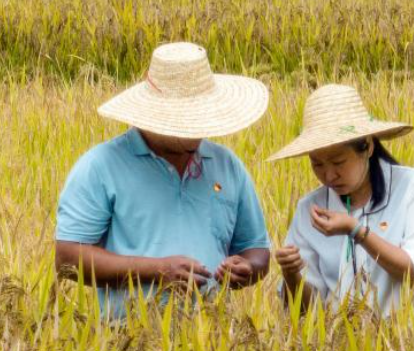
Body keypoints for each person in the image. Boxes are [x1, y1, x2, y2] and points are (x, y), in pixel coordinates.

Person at [55, 42, 270, 320]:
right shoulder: (101, 167)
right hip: (129, 345)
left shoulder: (227, 166)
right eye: (184, 120)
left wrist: (248, 268)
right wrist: (157, 271)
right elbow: (67, 258)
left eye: (200, 117)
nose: (196, 130)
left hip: (215, 343)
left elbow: (257, 250)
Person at [268, 84, 414, 316]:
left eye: (339, 162)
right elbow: (306, 313)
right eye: (317, 164)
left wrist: (356, 231)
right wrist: (291, 275)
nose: (329, 175)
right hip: (338, 348)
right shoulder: (309, 210)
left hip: (409, 346)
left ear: (368, 147)